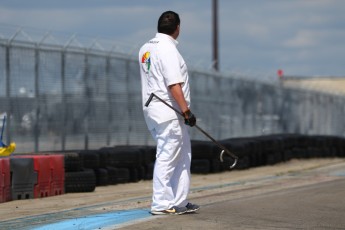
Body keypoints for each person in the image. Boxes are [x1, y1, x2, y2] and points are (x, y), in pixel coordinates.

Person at [139, 11, 199, 215]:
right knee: (167, 154)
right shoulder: (168, 50)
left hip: (153, 110)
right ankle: (161, 203)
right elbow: (173, 83)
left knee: (182, 154)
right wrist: (187, 111)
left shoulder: (146, 48)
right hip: (169, 112)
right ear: (178, 28)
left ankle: (178, 201)